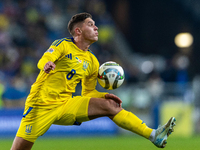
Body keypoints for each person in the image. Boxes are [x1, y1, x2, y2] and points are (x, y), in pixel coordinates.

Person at [11, 12, 176, 150]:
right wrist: (46, 64)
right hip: (41, 105)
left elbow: (88, 92)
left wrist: (103, 96)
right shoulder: (62, 45)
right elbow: (45, 58)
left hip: (66, 103)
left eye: (95, 24)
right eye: (90, 24)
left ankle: (153, 135)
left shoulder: (92, 61)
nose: (96, 27)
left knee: (110, 106)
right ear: (78, 31)